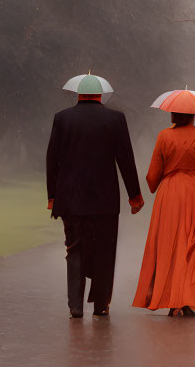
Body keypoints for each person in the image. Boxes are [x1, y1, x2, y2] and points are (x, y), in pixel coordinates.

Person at [46, 79, 143, 319]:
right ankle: (101, 304)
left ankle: (75, 306)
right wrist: (135, 196)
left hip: (71, 199)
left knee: (74, 249)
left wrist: (52, 196)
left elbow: (52, 160)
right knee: (104, 251)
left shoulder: (62, 118)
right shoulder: (115, 119)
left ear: (78, 94)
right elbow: (126, 160)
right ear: (101, 95)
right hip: (105, 200)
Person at [132, 111, 195, 316]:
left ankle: (172, 298)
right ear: (193, 115)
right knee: (192, 244)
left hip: (170, 193)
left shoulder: (164, 136)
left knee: (170, 244)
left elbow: (153, 174)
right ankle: (186, 298)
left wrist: (156, 184)